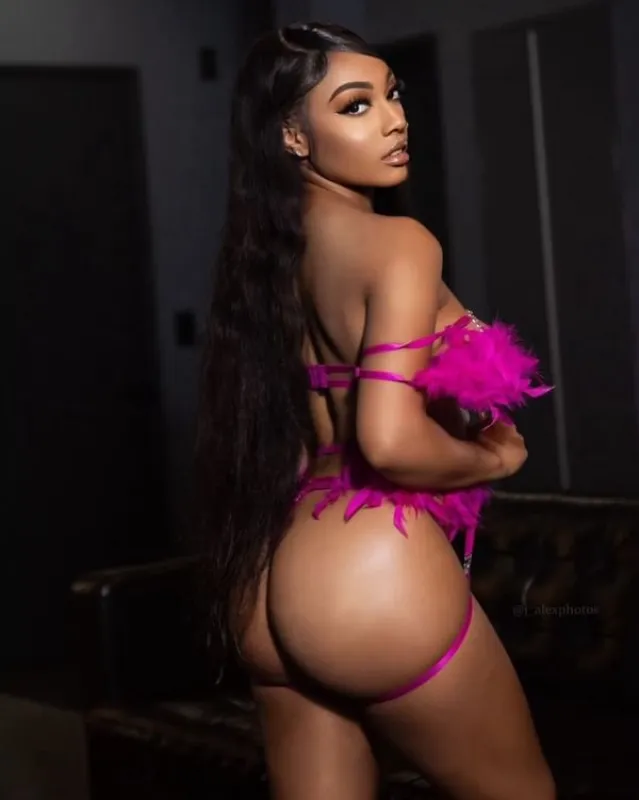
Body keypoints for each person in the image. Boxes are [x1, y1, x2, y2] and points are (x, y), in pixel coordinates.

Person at [195, 21, 556, 800]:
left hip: (269, 566)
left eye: (393, 95)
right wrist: (494, 456)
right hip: (368, 569)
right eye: (355, 105)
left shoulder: (266, 257)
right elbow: (387, 441)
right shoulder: (398, 244)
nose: (394, 120)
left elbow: (292, 430)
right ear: (293, 136)